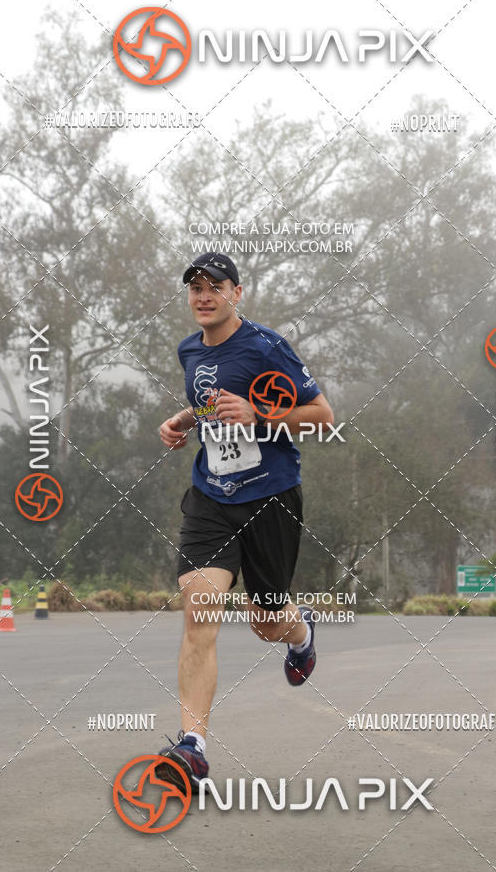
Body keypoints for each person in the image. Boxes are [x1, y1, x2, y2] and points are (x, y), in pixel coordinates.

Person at [155, 253, 334, 792]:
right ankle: (193, 748)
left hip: (271, 500)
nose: (203, 296)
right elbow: (209, 403)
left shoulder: (266, 347)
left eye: (214, 287)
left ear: (238, 292)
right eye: (194, 289)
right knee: (200, 612)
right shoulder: (190, 349)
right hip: (211, 497)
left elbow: (323, 418)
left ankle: (298, 635)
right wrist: (184, 419)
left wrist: (261, 415)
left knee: (265, 623)